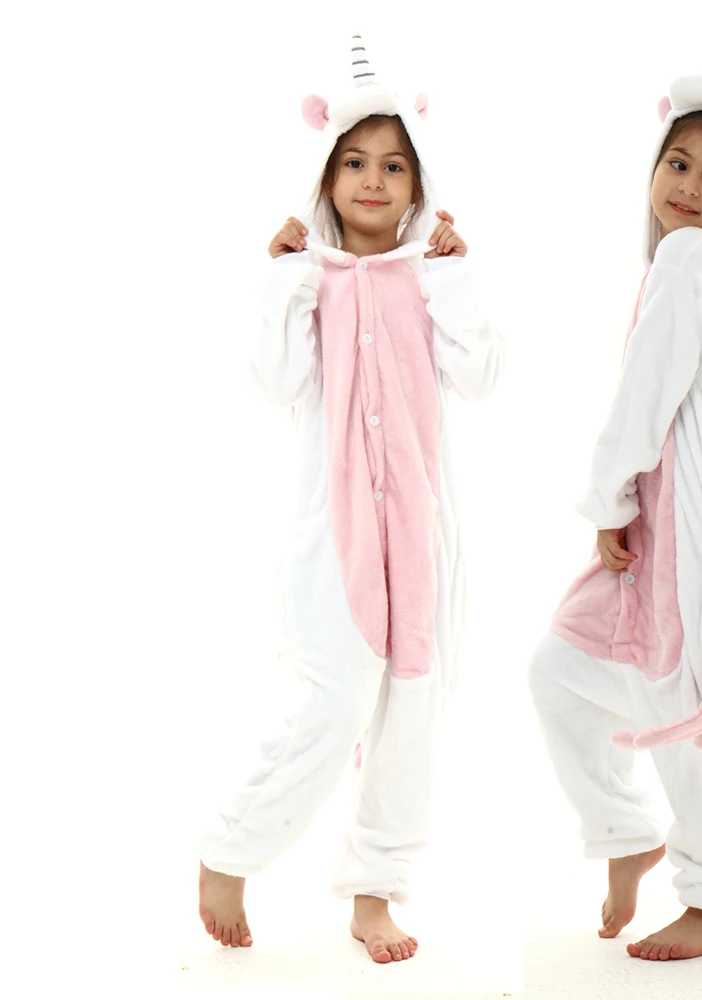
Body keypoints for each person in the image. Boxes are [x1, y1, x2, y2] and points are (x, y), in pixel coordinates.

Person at [196, 34, 505, 963]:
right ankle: (230, 848)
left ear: (419, 184)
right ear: (326, 179)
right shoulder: (307, 281)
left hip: (421, 536)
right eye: (355, 162)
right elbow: (273, 384)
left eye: (394, 165)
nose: (374, 179)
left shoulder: (433, 278)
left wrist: (454, 277)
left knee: (414, 711)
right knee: (332, 703)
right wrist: (283, 283)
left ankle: (376, 892)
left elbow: (483, 379)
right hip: (331, 537)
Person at [528, 34, 702, 962]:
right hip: (680, 529)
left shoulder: (688, 264)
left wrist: (608, 500)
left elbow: (644, 400)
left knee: (700, 712)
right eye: (678, 163)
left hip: (698, 540)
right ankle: (624, 833)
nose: (688, 186)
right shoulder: (697, 263)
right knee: (560, 671)